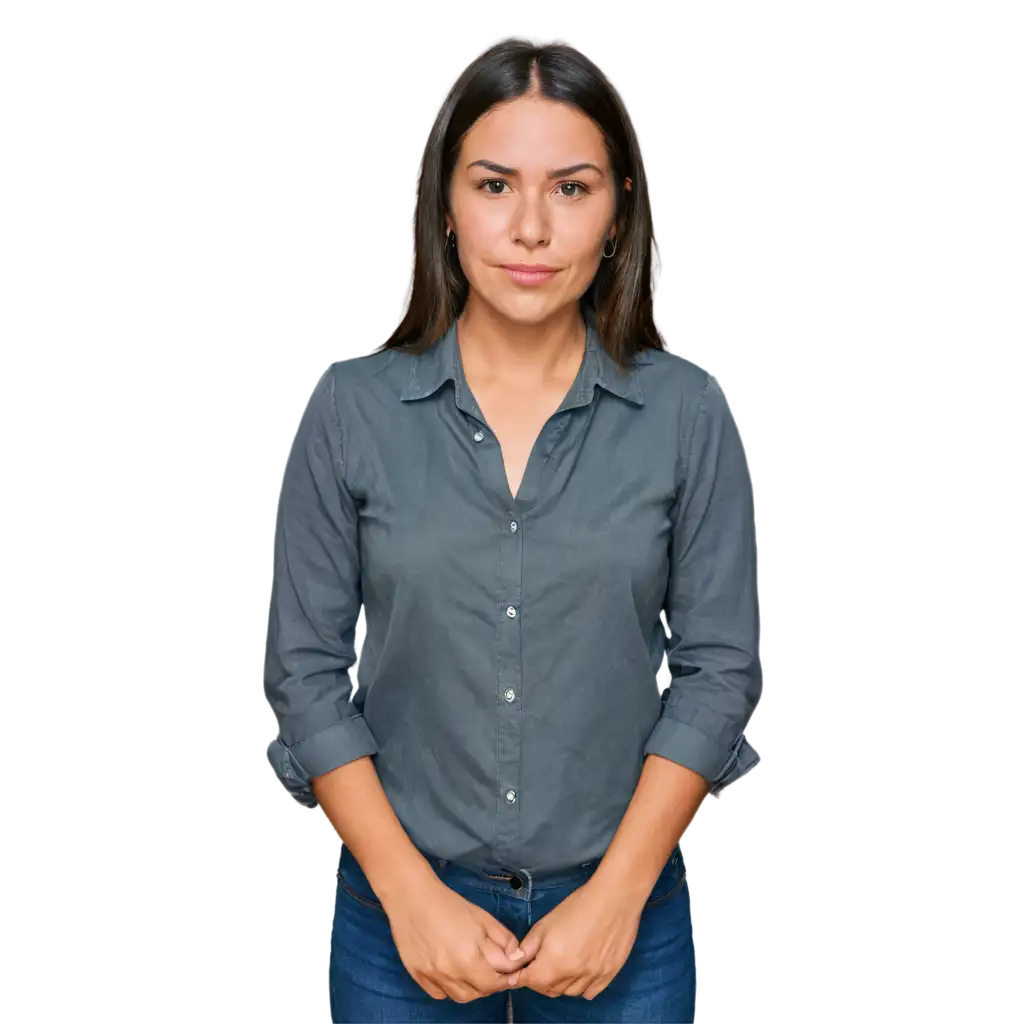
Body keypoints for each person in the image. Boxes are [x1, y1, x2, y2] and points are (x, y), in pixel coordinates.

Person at [258, 40, 758, 1024]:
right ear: (446, 206)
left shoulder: (687, 414)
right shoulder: (348, 409)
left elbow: (715, 670)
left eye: (571, 189)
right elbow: (304, 670)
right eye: (494, 184)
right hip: (397, 909)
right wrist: (408, 893)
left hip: (625, 911)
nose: (530, 228)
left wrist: (614, 897)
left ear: (618, 211)